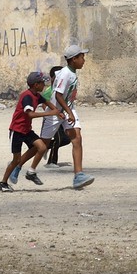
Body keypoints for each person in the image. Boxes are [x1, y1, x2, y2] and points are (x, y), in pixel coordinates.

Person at [0, 71, 62, 191]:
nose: (44, 85)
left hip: (27, 130)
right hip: (17, 131)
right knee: (16, 159)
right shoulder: (27, 96)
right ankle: (3, 183)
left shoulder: (37, 95)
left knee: (42, 147)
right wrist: (50, 113)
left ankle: (31, 172)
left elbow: (46, 101)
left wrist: (57, 111)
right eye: (42, 83)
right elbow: (30, 114)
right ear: (35, 85)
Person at [43, 46, 93, 189]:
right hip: (56, 111)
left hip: (67, 108)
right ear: (74, 59)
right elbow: (58, 95)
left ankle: (79, 175)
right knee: (41, 145)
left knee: (77, 137)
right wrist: (68, 112)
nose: (84, 60)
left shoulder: (71, 72)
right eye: (82, 57)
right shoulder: (66, 74)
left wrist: (69, 111)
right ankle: (17, 165)